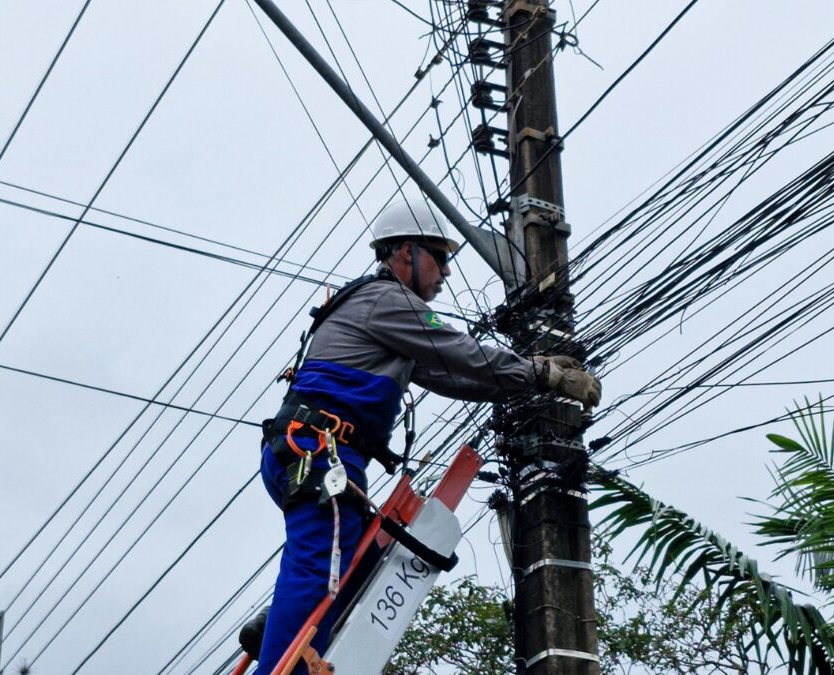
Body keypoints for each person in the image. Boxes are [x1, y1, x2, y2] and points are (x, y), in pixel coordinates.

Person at [253, 201, 601, 673]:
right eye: (441, 258)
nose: (446, 274)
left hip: (315, 451)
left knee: (355, 565)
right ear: (404, 253)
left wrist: (530, 379)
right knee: (321, 570)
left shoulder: (388, 321)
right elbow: (458, 349)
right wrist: (544, 374)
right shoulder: (388, 301)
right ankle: (281, 656)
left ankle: (277, 628)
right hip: (319, 450)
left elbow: (452, 376)